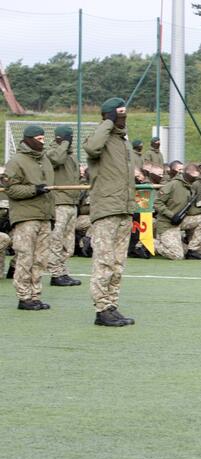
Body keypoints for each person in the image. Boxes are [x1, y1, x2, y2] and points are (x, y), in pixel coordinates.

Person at [83, 97, 135, 326]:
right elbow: (92, 148)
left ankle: (111, 305)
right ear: (110, 117)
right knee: (104, 261)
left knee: (117, 263)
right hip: (106, 209)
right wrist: (107, 122)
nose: (123, 119)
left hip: (123, 209)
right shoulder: (99, 138)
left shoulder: (123, 142)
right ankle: (101, 309)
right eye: (119, 115)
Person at [4, 125, 54, 310]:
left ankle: (35, 295)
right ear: (29, 139)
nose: (42, 142)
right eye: (39, 139)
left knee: (41, 259)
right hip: (26, 216)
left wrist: (51, 215)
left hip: (44, 216)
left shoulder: (45, 160)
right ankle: (24, 297)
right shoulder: (16, 161)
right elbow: (11, 189)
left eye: (43, 138)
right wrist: (34, 190)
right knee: (25, 257)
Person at [45, 125, 82, 287]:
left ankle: (62, 270)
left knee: (68, 242)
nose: (71, 138)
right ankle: (55, 273)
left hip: (71, 202)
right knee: (56, 239)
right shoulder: (52, 152)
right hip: (59, 202)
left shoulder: (71, 155)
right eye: (68, 136)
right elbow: (57, 160)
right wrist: (64, 144)